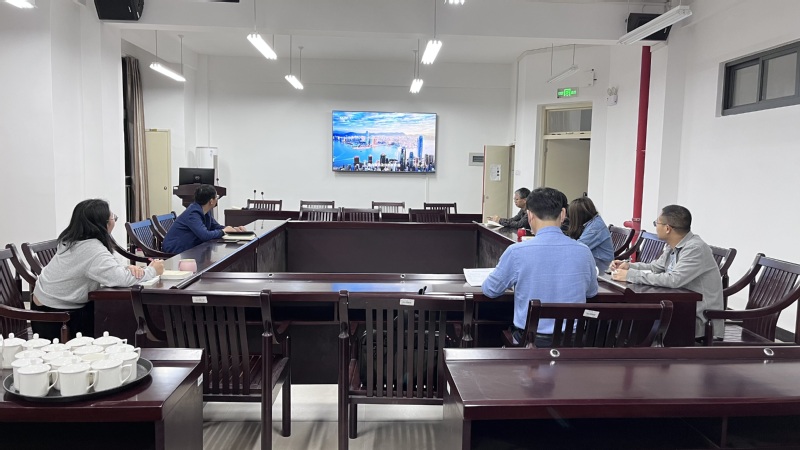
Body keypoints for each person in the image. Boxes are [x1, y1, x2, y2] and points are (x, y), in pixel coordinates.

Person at [31, 199, 165, 340]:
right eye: (113, 218)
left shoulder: (75, 240)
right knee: (115, 319)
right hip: (54, 315)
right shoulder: (91, 248)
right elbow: (119, 279)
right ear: (102, 224)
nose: (114, 222)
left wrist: (126, 267)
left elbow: (104, 267)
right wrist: (153, 270)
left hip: (51, 303)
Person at [482, 187, 598, 346]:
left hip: (530, 341)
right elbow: (591, 292)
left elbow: (490, 290)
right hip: (573, 343)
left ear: (529, 215)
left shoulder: (516, 252)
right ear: (563, 214)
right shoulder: (584, 251)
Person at [610, 205, 723, 341]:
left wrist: (631, 276)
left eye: (656, 223)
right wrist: (629, 267)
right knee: (636, 316)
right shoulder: (674, 244)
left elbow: (674, 280)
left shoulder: (695, 248)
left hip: (697, 318)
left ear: (667, 228)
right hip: (679, 308)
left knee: (641, 318)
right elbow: (656, 267)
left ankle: (632, 347)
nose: (655, 227)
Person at [162, 184, 246, 254]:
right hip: (175, 250)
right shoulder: (193, 213)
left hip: (189, 248)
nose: (217, 199)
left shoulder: (204, 211)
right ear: (211, 201)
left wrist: (233, 229)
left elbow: (215, 226)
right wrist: (223, 231)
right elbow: (205, 235)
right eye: (216, 197)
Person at [566, 196, 614, 273]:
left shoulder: (595, 228)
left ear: (578, 215)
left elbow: (577, 248)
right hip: (595, 263)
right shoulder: (594, 222)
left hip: (601, 267)